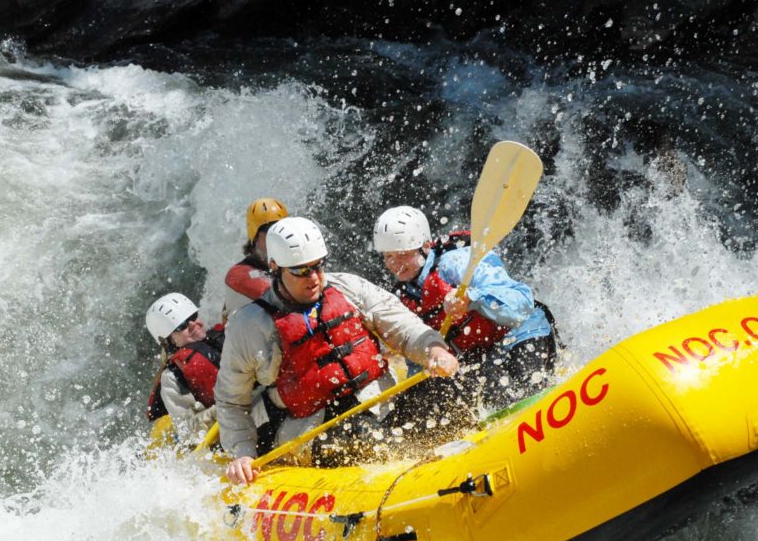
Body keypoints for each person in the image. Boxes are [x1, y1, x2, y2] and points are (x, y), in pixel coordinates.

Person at [216, 216, 459, 484]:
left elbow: (403, 326)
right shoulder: (249, 326)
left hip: (376, 405)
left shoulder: (347, 287)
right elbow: (231, 401)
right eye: (300, 271)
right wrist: (243, 452)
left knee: (444, 392)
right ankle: (420, 481)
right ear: (275, 267)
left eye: (318, 266)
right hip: (312, 430)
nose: (314, 278)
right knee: (361, 436)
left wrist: (434, 350)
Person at [371, 205, 557, 414]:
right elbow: (418, 357)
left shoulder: (457, 261)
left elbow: (521, 304)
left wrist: (471, 298)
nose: (395, 264)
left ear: (424, 246)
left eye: (402, 254)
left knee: (520, 391)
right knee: (424, 403)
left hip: (522, 334)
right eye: (388, 257)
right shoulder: (404, 298)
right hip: (482, 353)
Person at [145, 293, 223, 444]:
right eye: (182, 326)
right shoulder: (172, 377)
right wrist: (228, 407)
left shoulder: (227, 337)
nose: (193, 325)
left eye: (194, 317)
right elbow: (188, 433)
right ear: (169, 340)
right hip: (225, 437)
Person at [222, 197, 289, 319]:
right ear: (255, 238)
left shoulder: (283, 265)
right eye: (270, 232)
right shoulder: (238, 275)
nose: (278, 238)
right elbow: (284, 300)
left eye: (282, 230)